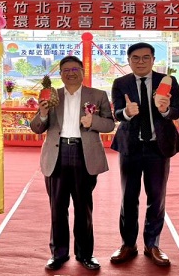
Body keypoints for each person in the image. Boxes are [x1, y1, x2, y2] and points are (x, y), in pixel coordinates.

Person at [30, 55, 115, 271]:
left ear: (83, 71)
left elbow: (109, 124)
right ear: (60, 74)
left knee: (83, 207)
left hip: (84, 154)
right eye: (66, 70)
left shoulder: (97, 95)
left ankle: (85, 254)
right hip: (56, 154)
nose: (70, 73)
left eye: (75, 69)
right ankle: (58, 254)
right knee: (57, 208)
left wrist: (93, 121)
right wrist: (42, 113)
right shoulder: (51, 95)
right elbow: (37, 127)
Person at [109, 42, 179, 267]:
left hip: (157, 148)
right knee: (128, 198)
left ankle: (153, 245)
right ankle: (128, 244)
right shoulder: (121, 83)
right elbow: (116, 113)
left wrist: (165, 110)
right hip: (130, 147)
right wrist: (126, 112)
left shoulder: (167, 81)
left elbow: (177, 111)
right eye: (135, 58)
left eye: (145, 57)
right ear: (129, 61)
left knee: (157, 197)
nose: (140, 62)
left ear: (152, 59)